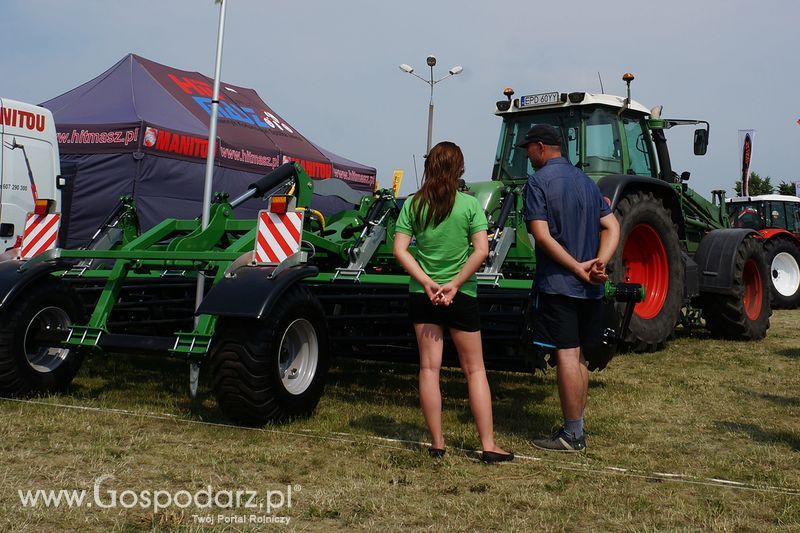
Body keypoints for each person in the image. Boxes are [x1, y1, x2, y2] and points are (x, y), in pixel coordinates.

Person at [393, 141, 513, 464]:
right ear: (458, 169)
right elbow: (482, 251)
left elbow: (400, 250)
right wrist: (455, 284)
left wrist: (428, 282)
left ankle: (437, 443)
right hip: (461, 296)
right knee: (474, 370)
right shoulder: (469, 206)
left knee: (429, 368)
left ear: (430, 166)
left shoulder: (413, 206)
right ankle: (488, 445)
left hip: (423, 295)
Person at [520, 124, 620, 452]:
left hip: (559, 284)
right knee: (579, 358)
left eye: (528, 149)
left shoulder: (537, 182)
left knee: (565, 353)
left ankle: (572, 434)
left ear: (540, 147)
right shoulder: (587, 182)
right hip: (589, 287)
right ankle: (576, 425)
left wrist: (577, 267)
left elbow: (542, 235)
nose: (526, 155)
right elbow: (612, 226)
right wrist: (599, 262)